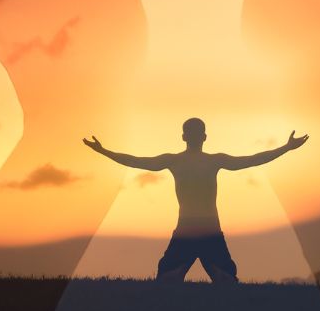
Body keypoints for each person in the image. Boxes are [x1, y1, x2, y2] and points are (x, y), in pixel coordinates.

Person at [83, 118, 308, 283]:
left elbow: (135, 161)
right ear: (204, 137)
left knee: (174, 279)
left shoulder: (176, 161)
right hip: (207, 228)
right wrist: (287, 148)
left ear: (184, 137)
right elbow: (252, 160)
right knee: (222, 279)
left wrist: (103, 151)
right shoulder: (212, 161)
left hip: (189, 229)